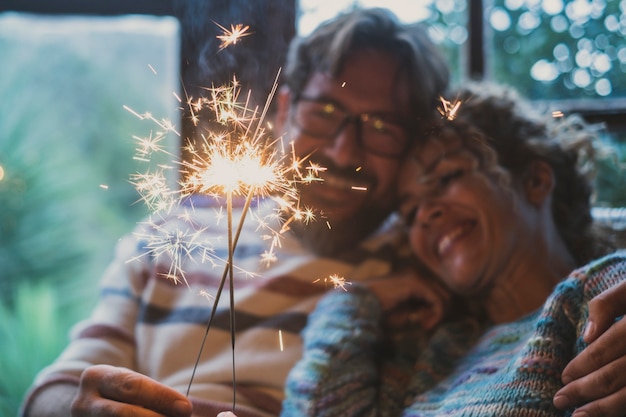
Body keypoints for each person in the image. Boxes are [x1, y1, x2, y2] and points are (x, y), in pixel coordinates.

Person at [19, 8, 626, 417]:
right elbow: (53, 386)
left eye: (381, 126)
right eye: (326, 114)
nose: (344, 151)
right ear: (284, 112)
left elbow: (565, 269)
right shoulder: (167, 237)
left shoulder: (430, 263)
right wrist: (88, 402)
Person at [280, 82, 626, 417]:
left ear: (535, 181)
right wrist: (352, 300)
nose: (426, 213)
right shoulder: (429, 354)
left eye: (446, 178)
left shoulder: (602, 294)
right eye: (410, 212)